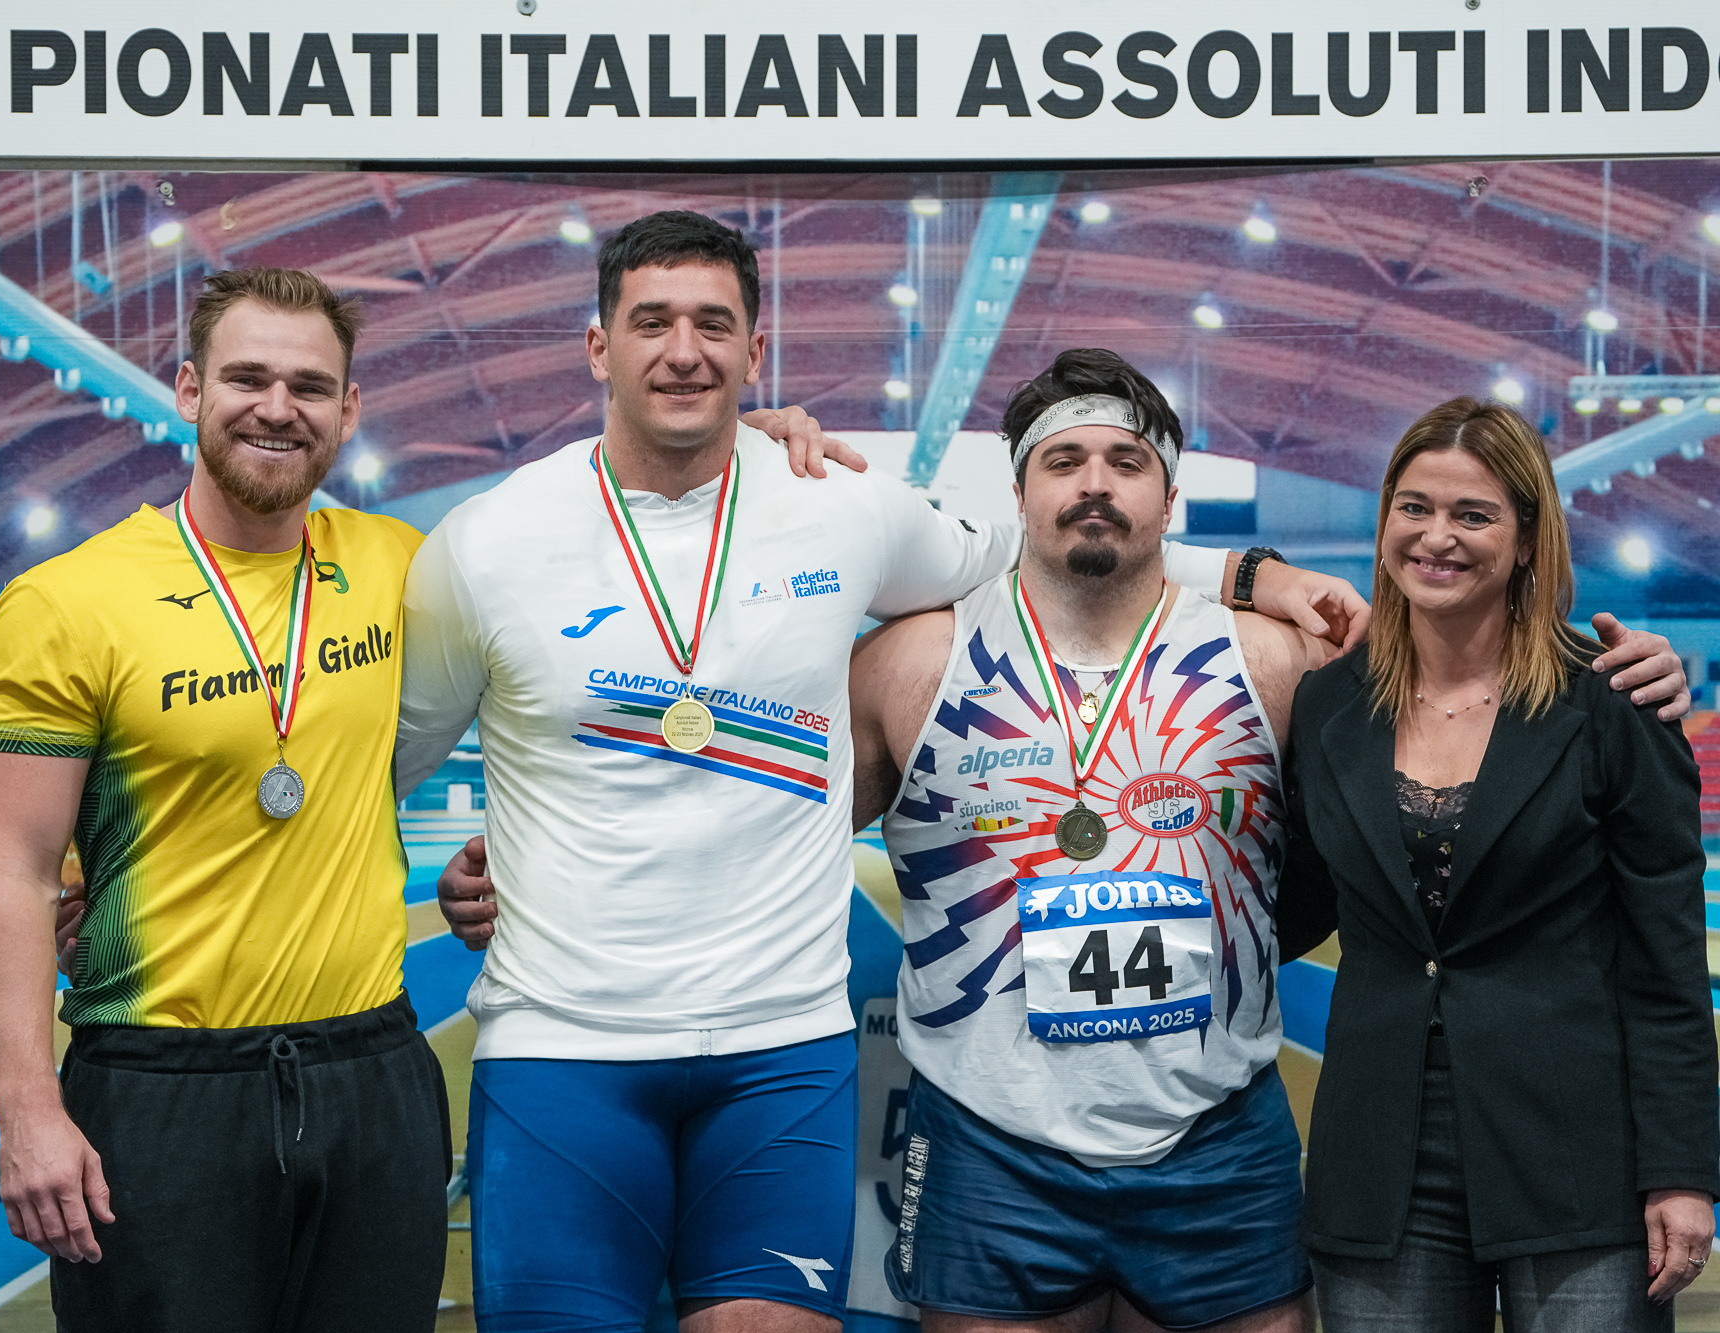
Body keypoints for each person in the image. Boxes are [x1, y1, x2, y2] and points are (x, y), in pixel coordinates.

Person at [405, 212, 1394, 1333]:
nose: (683, 351)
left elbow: (1060, 548)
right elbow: (387, 766)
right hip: (596, 1046)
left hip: (812, 1053)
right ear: (598, 345)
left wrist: (1252, 573)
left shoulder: (846, 509)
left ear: (754, 350)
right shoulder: (493, 540)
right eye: (652, 323)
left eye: (713, 325)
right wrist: (499, 862)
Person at [0, 268, 451, 1331]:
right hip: (158, 1088)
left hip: (371, 1072)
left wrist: (758, 443)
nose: (278, 408)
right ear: (189, 390)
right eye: (246, 378)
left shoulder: (407, 568)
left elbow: (589, 542)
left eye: (309, 386)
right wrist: (27, 1106)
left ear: (348, 410)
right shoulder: (67, 602)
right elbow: (9, 866)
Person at [846, 349, 1333, 1332]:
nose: (1095, 484)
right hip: (988, 1138)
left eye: (1126, 461)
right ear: (1019, 492)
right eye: (1064, 461)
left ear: (1169, 497)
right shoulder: (909, 662)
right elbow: (764, 833)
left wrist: (1618, 681)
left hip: (1217, 1131)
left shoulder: (1273, 660)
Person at [1276, 398, 1718, 1330]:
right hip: (1380, 1157)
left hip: (1577, 1152)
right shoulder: (1328, 707)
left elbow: (1666, 960)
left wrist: (1681, 1171)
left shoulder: (1612, 704)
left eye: (1472, 514)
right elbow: (1294, 903)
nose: (1436, 536)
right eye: (1414, 507)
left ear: (1526, 541)